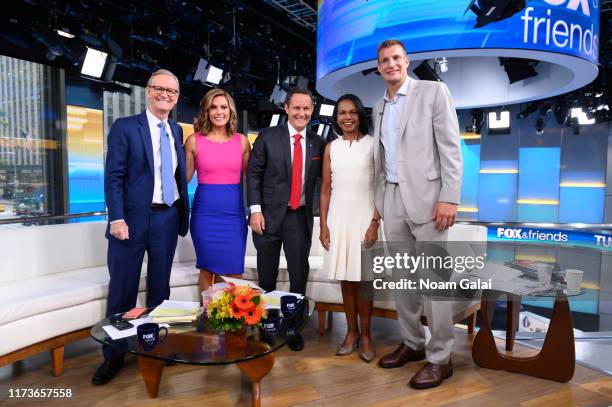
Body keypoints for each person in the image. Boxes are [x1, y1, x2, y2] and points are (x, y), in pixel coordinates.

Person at [373, 40, 462, 389]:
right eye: (384, 61)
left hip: (429, 200)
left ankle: (441, 359)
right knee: (403, 282)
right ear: (379, 67)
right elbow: (382, 156)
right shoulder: (379, 104)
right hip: (392, 199)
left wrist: (450, 198)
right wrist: (380, 201)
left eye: (396, 58)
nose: (391, 64)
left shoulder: (434, 92)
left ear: (406, 61)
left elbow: (450, 148)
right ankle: (412, 343)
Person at [93, 69, 189, 385]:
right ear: (148, 91)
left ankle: (156, 347)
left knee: (161, 288)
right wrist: (116, 217)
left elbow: (176, 177)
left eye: (171, 91)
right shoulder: (125, 127)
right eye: (159, 89)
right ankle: (114, 357)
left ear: (176, 98)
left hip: (166, 218)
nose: (165, 94)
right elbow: (114, 177)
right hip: (130, 221)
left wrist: (179, 213)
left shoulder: (176, 130)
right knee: (123, 289)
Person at [246, 88, 324, 351]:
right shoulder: (268, 137)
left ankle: (293, 327)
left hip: (299, 218)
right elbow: (253, 176)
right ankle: (266, 326)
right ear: (287, 108)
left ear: (311, 111)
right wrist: (255, 210)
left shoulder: (317, 143)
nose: (302, 112)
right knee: (266, 276)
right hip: (267, 217)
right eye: (297, 107)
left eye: (307, 108)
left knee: (298, 277)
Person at [319, 94, 380, 362]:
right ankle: (351, 333)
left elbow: (381, 187)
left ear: (360, 115)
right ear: (336, 118)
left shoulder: (374, 145)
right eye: (342, 112)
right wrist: (323, 224)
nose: (347, 117)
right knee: (346, 278)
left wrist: (375, 222)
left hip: (366, 217)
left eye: (352, 112)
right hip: (339, 218)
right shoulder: (331, 148)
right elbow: (324, 190)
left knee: (364, 280)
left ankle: (367, 335)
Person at [184, 89, 250, 295]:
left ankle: (234, 326)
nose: (218, 112)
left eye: (223, 107)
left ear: (231, 111)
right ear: (206, 110)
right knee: (207, 271)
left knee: (235, 273)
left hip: (234, 216)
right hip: (205, 217)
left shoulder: (242, 142)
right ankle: (209, 325)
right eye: (213, 107)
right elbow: (183, 178)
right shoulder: (193, 141)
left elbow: (254, 180)